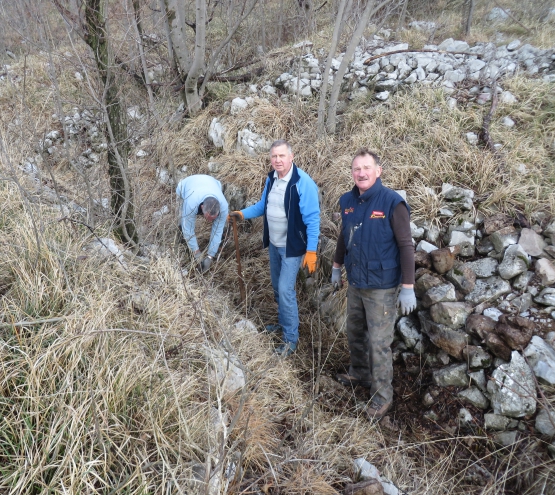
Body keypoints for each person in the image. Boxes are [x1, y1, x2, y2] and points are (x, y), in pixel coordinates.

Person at [332, 149, 416, 420]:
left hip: (382, 287)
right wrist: (336, 266)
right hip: (356, 281)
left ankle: (382, 398)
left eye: (367, 168)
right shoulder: (347, 201)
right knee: (354, 331)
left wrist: (408, 287)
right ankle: (360, 373)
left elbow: (406, 246)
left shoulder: (393, 203)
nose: (361, 173)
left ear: (378, 171)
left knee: (379, 343)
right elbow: (344, 237)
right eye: (357, 168)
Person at [230, 140, 320, 357]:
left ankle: (291, 339)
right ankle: (283, 324)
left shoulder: (302, 182)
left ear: (291, 157)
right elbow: (263, 206)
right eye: (274, 157)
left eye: (282, 156)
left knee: (286, 290)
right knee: (277, 288)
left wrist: (311, 251)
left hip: (293, 247)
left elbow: (313, 219)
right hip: (275, 243)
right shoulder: (271, 178)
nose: (278, 160)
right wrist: (242, 214)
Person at [176, 175, 229, 273]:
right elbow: (188, 229)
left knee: (221, 228)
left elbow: (217, 231)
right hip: (186, 187)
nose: (209, 221)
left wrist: (210, 256)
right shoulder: (191, 203)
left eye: (213, 219)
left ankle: (216, 251)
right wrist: (197, 254)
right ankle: (183, 246)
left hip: (212, 182)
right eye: (208, 218)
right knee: (182, 224)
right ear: (201, 207)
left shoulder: (223, 206)